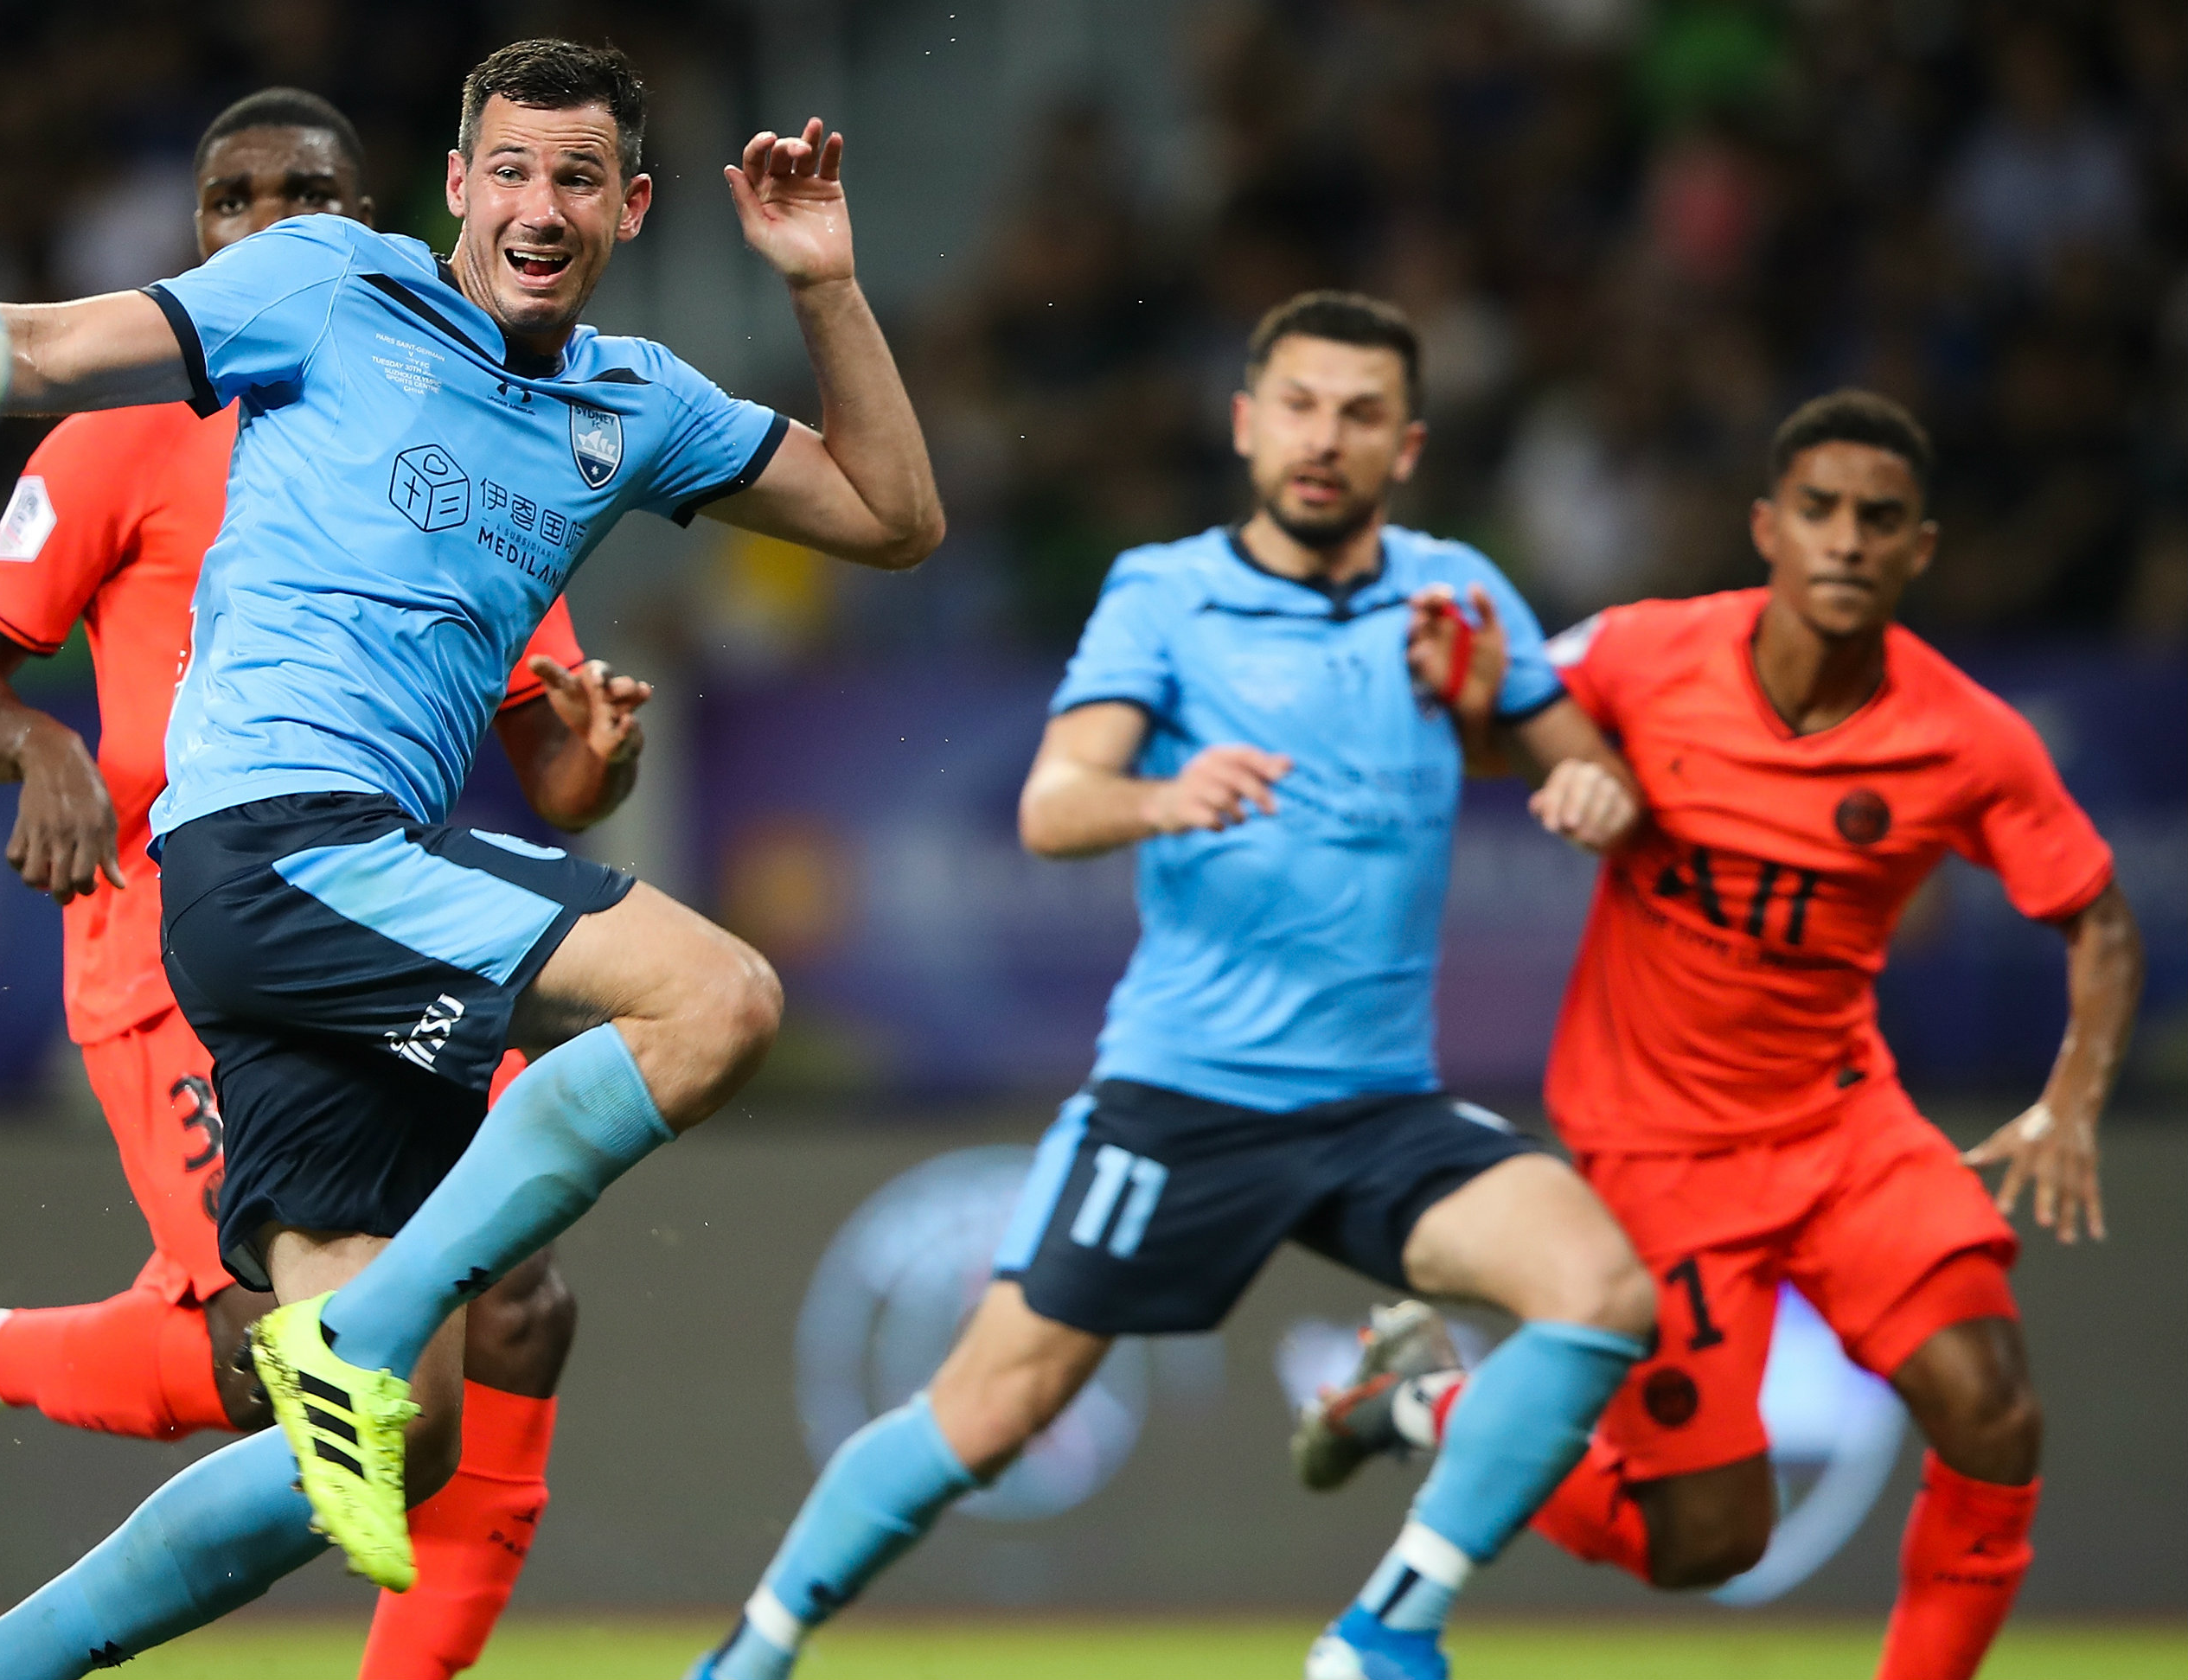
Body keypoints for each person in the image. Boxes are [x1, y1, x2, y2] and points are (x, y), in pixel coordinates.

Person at [0, 35, 943, 1680]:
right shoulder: (328, 283)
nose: (538, 206)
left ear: (630, 206)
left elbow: (892, 516)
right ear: (456, 186)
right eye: (509, 168)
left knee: (395, 1439)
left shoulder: (635, 403)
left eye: (577, 178)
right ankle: (360, 1328)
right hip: (271, 839)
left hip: (343, 890)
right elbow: (47, 349)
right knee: (717, 1002)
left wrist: (822, 282)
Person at [685, 291, 1655, 1680]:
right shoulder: (1166, 590)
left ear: (1408, 446)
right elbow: (1050, 807)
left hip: (1379, 1104)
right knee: (988, 1412)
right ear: (1248, 424)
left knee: (1599, 1288)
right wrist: (1163, 794)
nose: (1326, 439)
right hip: (1182, 1098)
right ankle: (751, 1652)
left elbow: (1597, 781)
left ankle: (1388, 1629)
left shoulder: (1458, 596)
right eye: (1301, 407)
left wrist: (1565, 776)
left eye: (1361, 415)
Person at [0, 88, 644, 1680]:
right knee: (268, 1361)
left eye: (312, 197)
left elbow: (550, 769)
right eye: (234, 200)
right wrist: (38, 752)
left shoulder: (444, 421)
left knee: (518, 1307)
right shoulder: (119, 438)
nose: (273, 225)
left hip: (377, 902)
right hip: (169, 934)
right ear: (198, 235)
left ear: (382, 224)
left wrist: (592, 757)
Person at [1293, 391, 2143, 1680]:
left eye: (1880, 519)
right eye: (1819, 511)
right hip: (1657, 1151)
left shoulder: (1965, 738)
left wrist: (2069, 1100)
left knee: (1992, 1414)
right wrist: (1467, 709)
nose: (1847, 541)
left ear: (1920, 549)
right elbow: (1487, 732)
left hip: (1840, 1124)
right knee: (1704, 1541)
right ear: (1766, 528)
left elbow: (2097, 919)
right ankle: (1422, 1406)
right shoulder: (1642, 654)